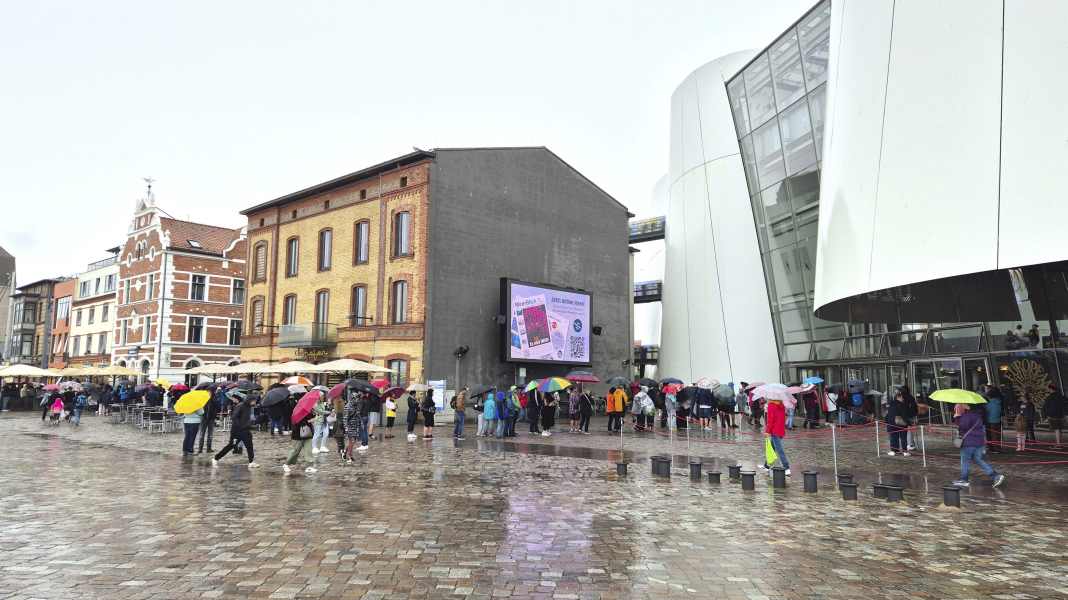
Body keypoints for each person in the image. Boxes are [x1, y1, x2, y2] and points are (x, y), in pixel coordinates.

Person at [954, 403, 1005, 488]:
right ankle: (995, 476)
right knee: (978, 460)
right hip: (979, 442)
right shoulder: (978, 415)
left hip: (968, 442)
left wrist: (957, 416)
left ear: (966, 406)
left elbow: (962, 426)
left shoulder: (966, 416)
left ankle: (964, 480)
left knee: (965, 461)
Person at [213, 388, 260, 469]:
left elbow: (246, 418)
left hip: (245, 430)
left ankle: (251, 462)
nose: (255, 402)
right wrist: (240, 426)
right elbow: (234, 417)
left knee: (249, 446)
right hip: (237, 431)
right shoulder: (241, 406)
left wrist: (250, 425)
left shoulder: (249, 407)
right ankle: (216, 458)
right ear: (250, 400)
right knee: (231, 445)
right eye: (254, 401)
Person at [283, 402, 319, 474]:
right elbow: (298, 423)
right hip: (298, 435)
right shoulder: (298, 411)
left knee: (309, 450)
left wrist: (314, 415)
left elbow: (312, 417)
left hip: (308, 433)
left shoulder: (309, 410)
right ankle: (286, 464)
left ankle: (309, 466)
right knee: (295, 451)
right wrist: (311, 420)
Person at [760, 397, 790, 476]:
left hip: (774, 431)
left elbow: (770, 420)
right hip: (781, 430)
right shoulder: (781, 404)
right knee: (772, 448)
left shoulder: (771, 405)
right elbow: (783, 418)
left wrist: (767, 431)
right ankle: (766, 465)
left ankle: (786, 467)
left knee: (779, 450)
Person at [885, 391, 910, 456]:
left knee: (893, 437)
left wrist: (886, 422)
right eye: (902, 397)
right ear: (898, 397)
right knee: (903, 438)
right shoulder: (903, 405)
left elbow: (887, 414)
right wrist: (908, 423)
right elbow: (904, 415)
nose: (903, 399)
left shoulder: (890, 404)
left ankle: (894, 451)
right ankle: (905, 452)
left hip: (891, 423)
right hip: (901, 424)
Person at [1044, 384, 1065, 448]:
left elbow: (1046, 407)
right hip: (1061, 415)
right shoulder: (1060, 396)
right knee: (1059, 430)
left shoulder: (1050, 397)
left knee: (1057, 429)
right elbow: (1064, 405)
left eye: (1048, 389)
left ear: (1051, 389)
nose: (1048, 390)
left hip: (1053, 416)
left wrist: (1047, 415)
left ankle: (1058, 444)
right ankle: (1059, 443)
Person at [984, 385, 1004, 453]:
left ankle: (991, 448)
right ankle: (997, 448)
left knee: (989, 435)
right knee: (996, 435)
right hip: (997, 421)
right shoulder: (999, 402)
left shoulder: (988, 404)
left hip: (988, 421)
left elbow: (986, 411)